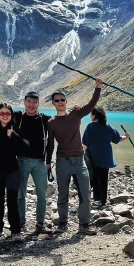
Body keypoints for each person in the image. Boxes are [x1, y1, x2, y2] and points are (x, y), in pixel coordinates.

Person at [0, 81, 79, 233]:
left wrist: (74, 112)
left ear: (38, 104)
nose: (31, 105)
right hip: (21, 161)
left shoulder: (45, 119)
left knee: (42, 195)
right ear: (24, 103)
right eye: (29, 102)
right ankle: (22, 223)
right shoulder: (17, 117)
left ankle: (40, 223)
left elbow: (61, 118)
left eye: (34, 102)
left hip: (39, 163)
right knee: (20, 195)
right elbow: (1, 112)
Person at [46, 78, 104, 235]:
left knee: (85, 194)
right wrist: (48, 163)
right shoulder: (51, 122)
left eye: (62, 99)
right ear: (53, 103)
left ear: (66, 101)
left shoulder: (76, 115)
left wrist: (98, 87)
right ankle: (63, 223)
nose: (60, 102)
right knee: (63, 194)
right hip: (62, 161)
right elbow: (50, 144)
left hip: (79, 161)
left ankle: (84, 225)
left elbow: (91, 104)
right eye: (56, 100)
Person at [0, 102, 29, 243]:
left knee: (12, 201)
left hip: (12, 171)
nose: (5, 116)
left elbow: (26, 146)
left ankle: (15, 231)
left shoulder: (15, 129)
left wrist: (13, 135)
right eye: (2, 113)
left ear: (11, 115)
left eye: (8, 113)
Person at [82, 106, 129, 209]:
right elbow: (117, 139)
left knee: (94, 179)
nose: (90, 116)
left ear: (94, 116)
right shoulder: (107, 126)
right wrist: (126, 136)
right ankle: (103, 201)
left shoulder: (90, 127)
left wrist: (80, 155)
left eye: (91, 114)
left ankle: (97, 199)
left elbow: (85, 144)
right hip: (105, 157)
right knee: (104, 179)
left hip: (93, 157)